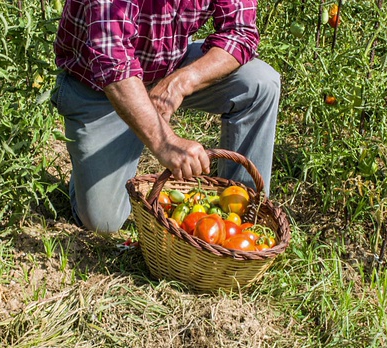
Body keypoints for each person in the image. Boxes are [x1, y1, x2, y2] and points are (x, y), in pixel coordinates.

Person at [51, 0, 280, 234]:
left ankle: (241, 210)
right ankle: (86, 173)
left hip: (168, 66)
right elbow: (112, 58)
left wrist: (181, 83)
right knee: (103, 222)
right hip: (100, 87)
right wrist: (165, 142)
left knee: (260, 82)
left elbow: (241, 33)